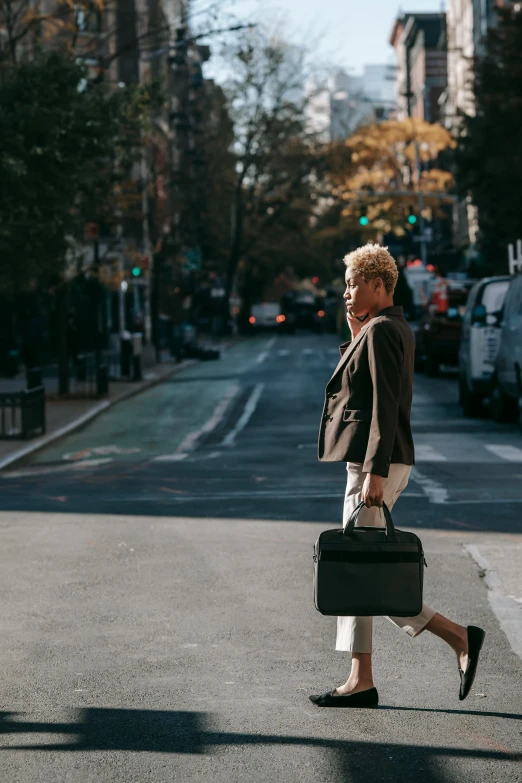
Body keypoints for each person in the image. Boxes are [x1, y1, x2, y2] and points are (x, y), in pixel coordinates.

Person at [311, 244, 485, 708]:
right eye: (346, 284)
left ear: (379, 285)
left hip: (377, 463)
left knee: (364, 572)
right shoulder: (382, 328)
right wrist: (355, 332)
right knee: (361, 569)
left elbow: (384, 408)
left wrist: (374, 472)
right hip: (374, 461)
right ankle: (361, 677)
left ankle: (458, 637)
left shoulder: (385, 331)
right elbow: (362, 385)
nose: (346, 292)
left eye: (354, 284)